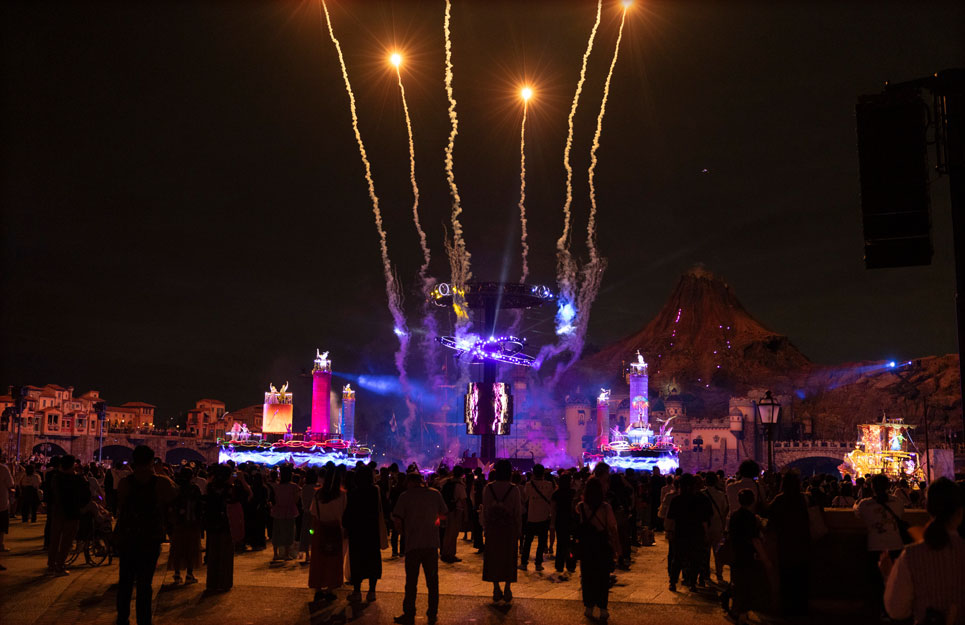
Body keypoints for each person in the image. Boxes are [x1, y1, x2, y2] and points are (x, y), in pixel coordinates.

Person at [883, 477, 965, 624]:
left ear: (927, 508)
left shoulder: (911, 555)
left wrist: (888, 576)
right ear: (960, 513)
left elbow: (897, 610)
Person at [115, 446, 177, 625]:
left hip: (128, 536)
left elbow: (120, 506)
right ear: (152, 461)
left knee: (125, 580)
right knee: (145, 582)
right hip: (150, 536)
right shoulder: (161, 482)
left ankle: (122, 618)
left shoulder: (125, 483)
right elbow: (174, 497)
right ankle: (144, 620)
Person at [392, 471, 448, 625]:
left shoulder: (405, 496)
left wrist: (403, 533)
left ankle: (409, 613)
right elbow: (444, 514)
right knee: (432, 581)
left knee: (411, 581)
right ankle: (432, 612)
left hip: (413, 544)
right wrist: (434, 522)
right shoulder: (435, 494)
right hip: (431, 543)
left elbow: (397, 519)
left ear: (410, 482)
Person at [855, 473, 906, 617]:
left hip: (875, 546)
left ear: (872, 487)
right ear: (889, 486)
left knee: (876, 582)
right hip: (895, 545)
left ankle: (880, 610)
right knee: (895, 580)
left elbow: (857, 513)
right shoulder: (898, 502)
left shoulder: (865, 504)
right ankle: (895, 610)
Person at [765, 470, 811, 616]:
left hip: (785, 542)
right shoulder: (804, 498)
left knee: (786, 575)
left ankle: (787, 607)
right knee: (801, 576)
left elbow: (768, 514)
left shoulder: (779, 499)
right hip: (802, 541)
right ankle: (801, 607)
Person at [575, 476, 619, 621]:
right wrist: (617, 547)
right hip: (602, 545)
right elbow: (612, 528)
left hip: (586, 546)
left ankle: (588, 607)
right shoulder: (605, 507)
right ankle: (603, 608)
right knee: (602, 578)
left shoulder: (581, 506)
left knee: (587, 577)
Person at [482, 460, 523, 603]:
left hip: (493, 527)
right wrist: (518, 529)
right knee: (509, 558)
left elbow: (485, 510)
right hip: (509, 528)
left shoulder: (488, 488)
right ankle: (507, 588)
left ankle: (495, 588)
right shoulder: (514, 489)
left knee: (493, 557)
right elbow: (517, 512)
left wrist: (485, 527)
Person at [343, 464, 384, 602]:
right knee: (372, 560)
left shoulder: (353, 493)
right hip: (372, 530)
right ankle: (372, 591)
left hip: (357, 531)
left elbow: (348, 512)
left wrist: (346, 526)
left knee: (357, 561)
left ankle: (357, 591)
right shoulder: (375, 491)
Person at [666, 473, 712, 592]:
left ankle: (673, 582)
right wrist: (706, 534)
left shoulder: (677, 500)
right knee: (695, 559)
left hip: (681, 531)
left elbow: (671, 518)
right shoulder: (701, 499)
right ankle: (692, 583)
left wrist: (669, 531)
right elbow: (705, 519)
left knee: (677, 558)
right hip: (696, 532)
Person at [47, 455, 91, 576]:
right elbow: (86, 495)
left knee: (54, 540)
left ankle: (51, 565)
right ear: (73, 465)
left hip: (57, 512)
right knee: (66, 542)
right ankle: (60, 566)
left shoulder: (56, 478)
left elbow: (50, 494)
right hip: (72, 513)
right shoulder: (77, 479)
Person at [309, 465, 347, 601]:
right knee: (334, 560)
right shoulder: (342, 495)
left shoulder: (318, 494)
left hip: (320, 528)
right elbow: (343, 513)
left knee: (318, 559)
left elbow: (313, 512)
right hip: (335, 528)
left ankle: (318, 588)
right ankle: (331, 588)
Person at [727, 488, 764, 619]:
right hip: (747, 553)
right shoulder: (751, 518)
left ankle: (735, 608)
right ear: (752, 501)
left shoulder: (734, 515)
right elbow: (754, 538)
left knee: (737, 582)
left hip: (735, 552)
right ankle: (741, 612)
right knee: (746, 584)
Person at [168, 467, 202, 585]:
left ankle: (177, 574)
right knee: (191, 548)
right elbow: (199, 506)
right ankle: (189, 574)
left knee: (178, 548)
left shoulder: (176, 488)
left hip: (179, 523)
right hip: (192, 522)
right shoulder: (194, 489)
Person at [204, 465, 235, 592]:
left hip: (212, 522)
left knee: (213, 553)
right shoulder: (230, 489)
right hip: (226, 524)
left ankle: (212, 582)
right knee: (225, 554)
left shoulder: (210, 487)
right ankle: (224, 582)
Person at [520, 464, 553, 571]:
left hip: (531, 517)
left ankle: (524, 563)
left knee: (528, 542)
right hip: (544, 516)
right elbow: (550, 498)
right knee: (541, 542)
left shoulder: (529, 485)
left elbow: (525, 498)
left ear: (533, 473)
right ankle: (538, 564)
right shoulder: (549, 485)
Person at [550, 472, 577, 580]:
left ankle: (559, 565)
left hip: (560, 520)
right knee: (570, 544)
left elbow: (553, 509)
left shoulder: (556, 494)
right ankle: (570, 564)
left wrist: (552, 523)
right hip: (571, 520)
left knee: (560, 543)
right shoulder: (573, 492)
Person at [270, 466, 299, 561]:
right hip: (289, 511)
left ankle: (275, 554)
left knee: (277, 532)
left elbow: (275, 499)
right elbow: (296, 500)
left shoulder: (277, 486)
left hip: (278, 510)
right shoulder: (294, 486)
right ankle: (286, 554)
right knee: (289, 532)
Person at [440, 466, 467, 563]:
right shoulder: (460, 485)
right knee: (453, 534)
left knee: (447, 532)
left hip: (447, 509)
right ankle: (450, 554)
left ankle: (445, 552)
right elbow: (463, 500)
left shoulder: (447, 482)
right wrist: (466, 514)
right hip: (456, 510)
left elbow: (438, 484)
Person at [298, 469, 318, 564]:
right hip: (315, 514)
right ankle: (314, 554)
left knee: (306, 533)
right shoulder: (317, 488)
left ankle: (307, 555)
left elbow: (302, 500)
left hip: (306, 513)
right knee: (314, 533)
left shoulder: (304, 487)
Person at [0, 455, 14, 554]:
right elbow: (10, 484)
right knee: (1, 527)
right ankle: (0, 545)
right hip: (1, 502)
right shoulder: (3, 469)